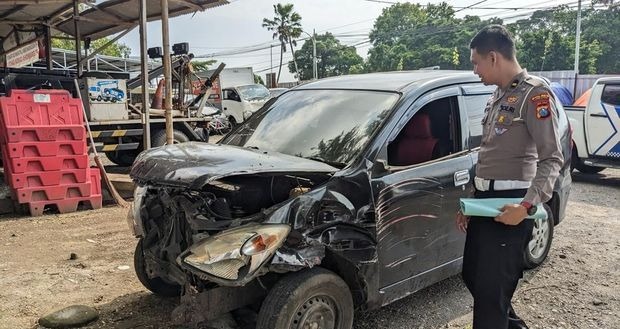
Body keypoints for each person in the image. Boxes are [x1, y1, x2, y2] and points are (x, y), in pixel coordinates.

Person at [456, 25, 564, 329]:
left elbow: (551, 158)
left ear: (493, 57)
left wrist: (526, 208)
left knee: (490, 301)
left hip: (511, 207)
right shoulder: (498, 95)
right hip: (485, 206)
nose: (475, 70)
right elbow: (489, 154)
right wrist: (469, 202)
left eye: (476, 62)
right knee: (473, 275)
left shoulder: (535, 94)